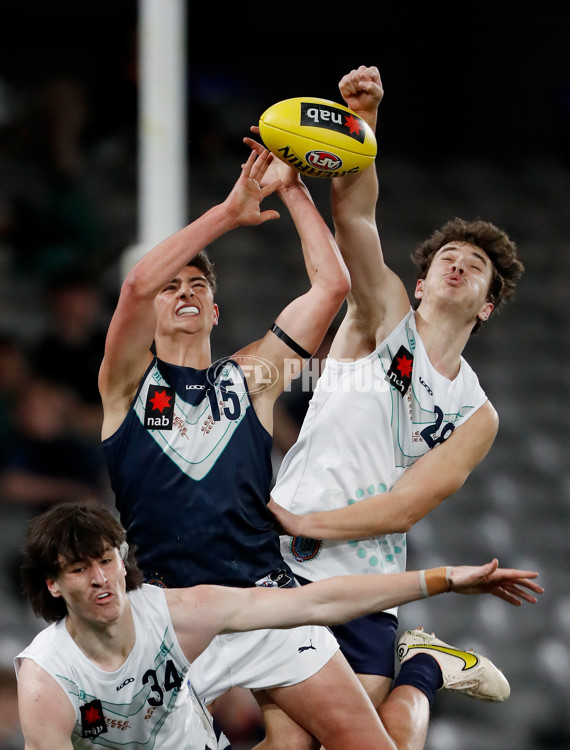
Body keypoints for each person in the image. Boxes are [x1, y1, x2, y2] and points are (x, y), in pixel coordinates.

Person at [100, 143, 402, 750]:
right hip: (171, 615)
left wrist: (292, 188)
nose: (183, 292)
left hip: (266, 600)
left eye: (197, 286)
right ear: (154, 308)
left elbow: (333, 284)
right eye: (172, 287)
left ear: (215, 310)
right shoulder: (126, 385)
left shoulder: (252, 379)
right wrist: (231, 211)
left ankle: (423, 670)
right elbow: (135, 285)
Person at [267, 65, 526, 749]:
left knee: (387, 741)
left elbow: (408, 506)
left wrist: (308, 519)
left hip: (369, 581)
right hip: (292, 563)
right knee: (292, 743)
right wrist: (362, 126)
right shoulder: (381, 316)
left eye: (475, 264)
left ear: (488, 304)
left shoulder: (478, 415)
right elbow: (354, 215)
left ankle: (426, 668)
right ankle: (429, 666)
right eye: (448, 253)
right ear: (418, 282)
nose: (458, 263)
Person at [14, 501, 542, 750]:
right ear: (54, 585)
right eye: (80, 569)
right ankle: (425, 666)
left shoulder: (173, 614)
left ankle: (424, 666)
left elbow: (316, 603)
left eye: (106, 560)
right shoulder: (46, 679)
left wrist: (444, 579)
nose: (101, 579)